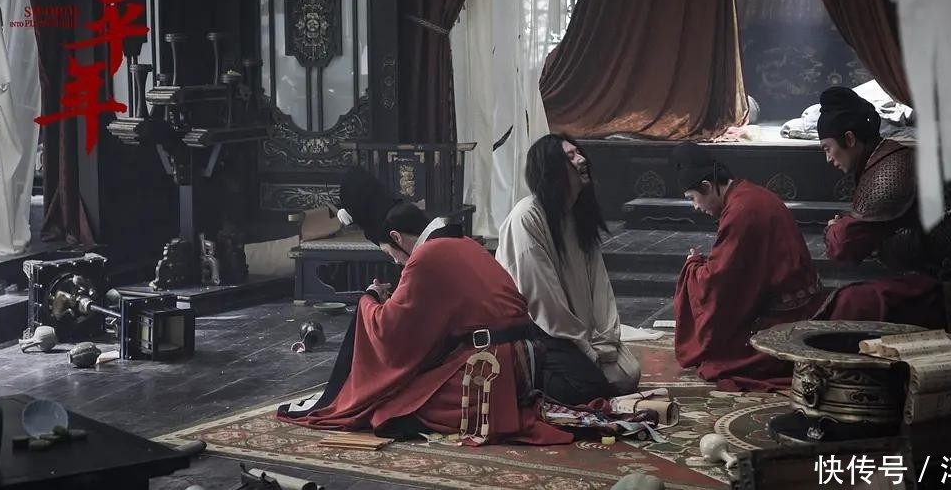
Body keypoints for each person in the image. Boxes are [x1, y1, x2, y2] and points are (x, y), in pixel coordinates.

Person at [278, 167, 572, 447]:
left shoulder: (425, 258)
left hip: (491, 368)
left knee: (388, 410)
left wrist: (369, 298)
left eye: (391, 254)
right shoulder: (463, 242)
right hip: (525, 358)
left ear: (395, 237)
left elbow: (389, 331)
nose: (397, 262)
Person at [495, 134, 641, 404]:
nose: (582, 160)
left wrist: (606, 340)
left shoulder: (577, 215)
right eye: (571, 157)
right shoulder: (527, 217)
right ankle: (526, 378)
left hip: (577, 336)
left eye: (579, 152)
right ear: (551, 168)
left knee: (628, 374)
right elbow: (543, 300)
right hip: (539, 332)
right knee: (589, 387)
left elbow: (600, 287)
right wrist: (586, 349)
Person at [815, 86, 951, 328]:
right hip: (921, 275)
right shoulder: (883, 157)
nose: (828, 158)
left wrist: (832, 229)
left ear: (849, 139)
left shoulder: (890, 170)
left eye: (828, 148)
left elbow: (844, 246)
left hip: (938, 286)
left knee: (849, 303)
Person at [671, 142, 822, 391]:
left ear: (707, 186)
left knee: (715, 365)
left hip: (787, 317)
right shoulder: (748, 194)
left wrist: (692, 266)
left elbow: (717, 281)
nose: (695, 207)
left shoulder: (741, 211)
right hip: (800, 303)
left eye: (693, 198)